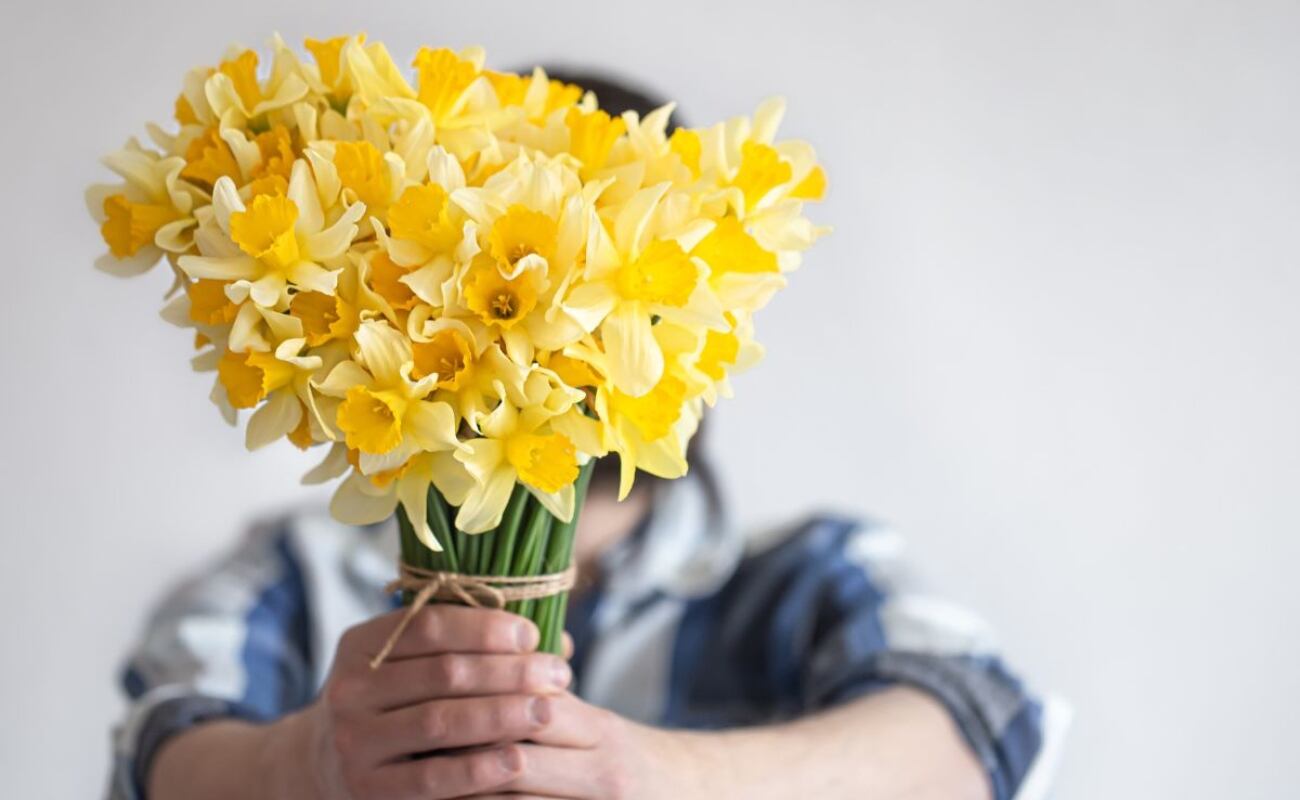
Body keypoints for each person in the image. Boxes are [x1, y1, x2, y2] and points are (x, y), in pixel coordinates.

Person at [107, 71, 1068, 800]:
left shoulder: (812, 576)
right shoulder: (302, 572)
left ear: (700, 322)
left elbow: (976, 722)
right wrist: (306, 760)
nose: (560, 319)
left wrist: (653, 772)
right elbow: (162, 744)